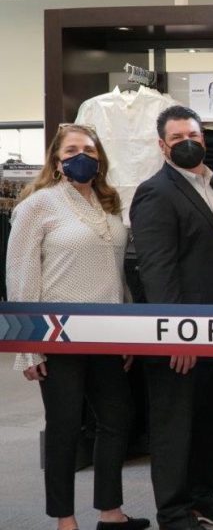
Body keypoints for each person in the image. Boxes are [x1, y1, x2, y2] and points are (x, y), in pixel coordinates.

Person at [7, 123, 150, 530]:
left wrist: (125, 327)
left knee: (116, 419)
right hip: (57, 334)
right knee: (65, 427)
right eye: (71, 149)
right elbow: (21, 276)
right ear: (56, 158)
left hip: (106, 332)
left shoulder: (108, 205)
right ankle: (64, 519)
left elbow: (116, 272)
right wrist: (27, 346)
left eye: (89, 148)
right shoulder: (37, 206)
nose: (81, 155)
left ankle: (111, 512)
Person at [130, 105, 213, 530]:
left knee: (212, 418)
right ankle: (174, 511)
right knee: (175, 424)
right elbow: (157, 269)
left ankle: (203, 495)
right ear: (162, 146)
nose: (187, 143)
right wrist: (176, 334)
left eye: (193, 136)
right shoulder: (155, 192)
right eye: (177, 138)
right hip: (181, 334)